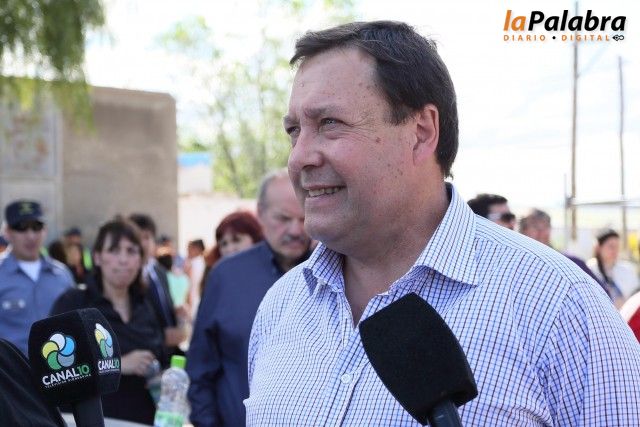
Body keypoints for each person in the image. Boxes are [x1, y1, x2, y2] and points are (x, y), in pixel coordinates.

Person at [245, 21, 640, 426]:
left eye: (330, 123)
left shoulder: (558, 306)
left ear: (421, 132)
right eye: (294, 131)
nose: (299, 157)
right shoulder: (280, 307)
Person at [187, 170, 311, 427]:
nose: (296, 230)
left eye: (303, 217)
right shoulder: (227, 276)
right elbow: (200, 370)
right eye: (283, 218)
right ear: (261, 213)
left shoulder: (338, 273)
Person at [50, 219, 165, 424]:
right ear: (97, 257)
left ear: (140, 259)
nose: (123, 260)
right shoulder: (74, 303)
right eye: (113, 250)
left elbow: (162, 355)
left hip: (143, 418)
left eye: (131, 251)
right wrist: (118, 365)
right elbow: (54, 371)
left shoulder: (146, 305)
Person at [0, 200, 74, 355]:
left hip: (59, 365)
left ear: (44, 230)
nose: (31, 236)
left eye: (36, 227)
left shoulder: (62, 275)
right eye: (21, 228)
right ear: (7, 232)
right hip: (10, 369)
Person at [129, 213, 189, 357]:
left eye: (147, 237)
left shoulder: (160, 271)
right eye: (137, 238)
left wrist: (177, 315)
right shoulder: (127, 275)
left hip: (169, 353)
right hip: (143, 354)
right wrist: (162, 337)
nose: (143, 243)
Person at [518, 208, 604, 288]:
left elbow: (602, 291)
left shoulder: (573, 262)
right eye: (535, 227)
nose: (541, 232)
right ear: (523, 231)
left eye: (546, 226)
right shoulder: (517, 264)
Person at [586, 228, 639, 307]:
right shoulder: (589, 269)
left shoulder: (627, 269)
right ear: (598, 247)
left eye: (617, 246)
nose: (615, 250)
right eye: (611, 246)